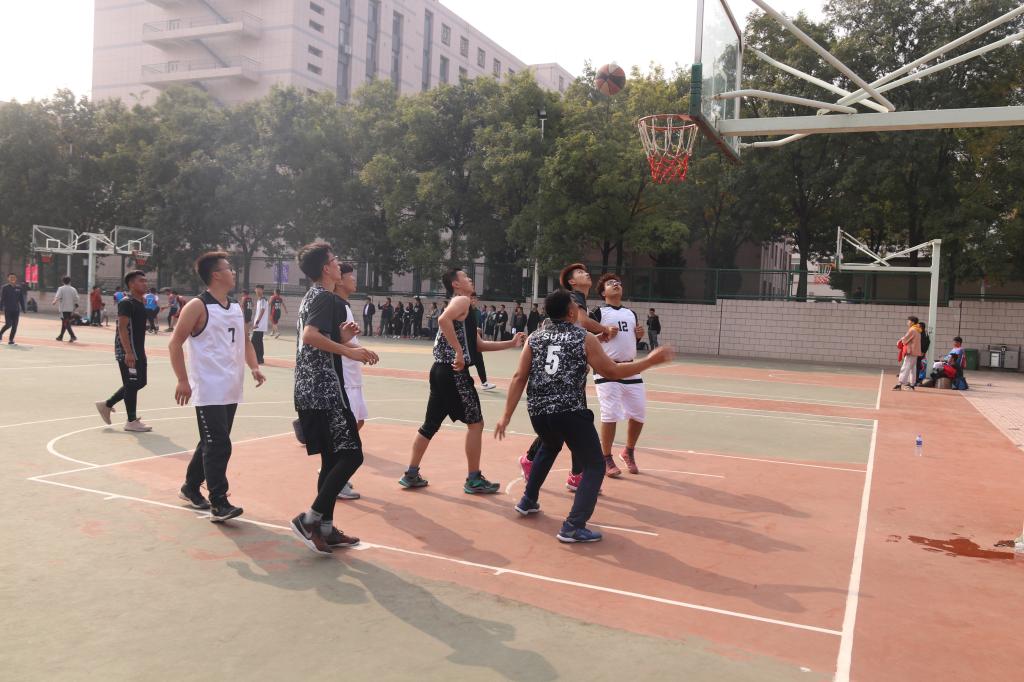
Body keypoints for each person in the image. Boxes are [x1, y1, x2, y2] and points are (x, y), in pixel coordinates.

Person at [495, 289, 673, 543]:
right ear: (571, 313)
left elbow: (519, 377)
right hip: (570, 411)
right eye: (576, 308)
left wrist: (506, 416)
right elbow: (612, 371)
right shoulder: (583, 337)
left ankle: (527, 500)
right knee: (595, 465)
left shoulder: (534, 337)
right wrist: (649, 362)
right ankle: (573, 525)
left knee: (549, 445)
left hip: (539, 412)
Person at [399, 268, 524, 494]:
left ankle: (411, 473)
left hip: (439, 371)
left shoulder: (464, 308)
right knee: (476, 424)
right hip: (454, 373)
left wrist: (511, 343)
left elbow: (478, 345)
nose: (469, 279)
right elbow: (442, 320)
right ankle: (473, 479)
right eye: (465, 277)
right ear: (456, 284)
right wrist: (458, 351)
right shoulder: (462, 301)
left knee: (430, 425)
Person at [170, 252, 266, 522]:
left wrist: (254, 366)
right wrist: (182, 379)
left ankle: (190, 487)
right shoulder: (197, 306)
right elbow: (175, 343)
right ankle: (219, 501)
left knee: (210, 441)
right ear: (215, 275)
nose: (233, 272)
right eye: (228, 268)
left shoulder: (234, 306)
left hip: (231, 386)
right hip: (208, 386)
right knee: (219, 444)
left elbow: (245, 342)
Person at [290, 241, 365, 555]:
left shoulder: (313, 296)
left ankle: (325, 528)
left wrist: (342, 338)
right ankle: (309, 519)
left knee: (333, 459)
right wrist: (350, 350)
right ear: (325, 268)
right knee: (352, 455)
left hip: (312, 389)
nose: (339, 264)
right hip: (323, 391)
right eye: (335, 261)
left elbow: (317, 338)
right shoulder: (323, 297)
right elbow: (310, 336)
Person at [520, 263, 618, 490]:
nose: (586, 273)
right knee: (573, 420)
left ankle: (542, 464)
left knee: (564, 421)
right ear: (572, 282)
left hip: (566, 371)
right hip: (563, 375)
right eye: (580, 273)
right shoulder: (575, 299)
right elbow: (583, 322)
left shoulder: (576, 300)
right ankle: (571, 473)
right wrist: (604, 329)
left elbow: (577, 330)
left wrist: (594, 340)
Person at [590, 274, 648, 476]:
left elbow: (629, 341)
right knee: (610, 414)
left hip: (630, 368)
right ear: (603, 292)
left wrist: (638, 336)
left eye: (618, 283)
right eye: (610, 283)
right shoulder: (598, 312)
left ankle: (628, 452)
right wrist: (602, 335)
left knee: (639, 413)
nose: (616, 284)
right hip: (607, 367)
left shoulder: (631, 313)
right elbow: (588, 339)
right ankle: (606, 457)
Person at [333, 263, 381, 500]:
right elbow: (334, 341)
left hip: (353, 374)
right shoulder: (337, 305)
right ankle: (334, 475)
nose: (354, 279)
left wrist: (358, 349)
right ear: (339, 280)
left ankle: (333, 469)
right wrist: (357, 350)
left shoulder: (345, 305)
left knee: (358, 421)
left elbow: (343, 338)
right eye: (350, 276)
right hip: (345, 376)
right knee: (347, 428)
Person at [96, 270, 153, 432]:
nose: (145, 283)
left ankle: (107, 405)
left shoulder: (140, 302)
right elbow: (122, 328)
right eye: (141, 281)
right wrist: (128, 352)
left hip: (138, 349)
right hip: (127, 350)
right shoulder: (126, 303)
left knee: (140, 382)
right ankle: (131, 421)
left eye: (145, 281)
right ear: (131, 284)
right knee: (132, 383)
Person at [466, 294, 496, 391]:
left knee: (479, 360)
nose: (473, 300)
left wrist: (478, 331)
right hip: (466, 341)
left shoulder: (478, 312)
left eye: (475, 298)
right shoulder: (465, 311)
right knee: (465, 362)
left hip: (475, 340)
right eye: (471, 298)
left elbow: (478, 324)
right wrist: (475, 329)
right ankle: (462, 382)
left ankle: (484, 383)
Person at [894, 315, 922, 390]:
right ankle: (912, 385)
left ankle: (899, 384)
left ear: (912, 322)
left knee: (905, 367)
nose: (907, 322)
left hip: (911, 351)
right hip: (915, 352)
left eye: (908, 321)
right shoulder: (918, 330)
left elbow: (905, 340)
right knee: (913, 369)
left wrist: (901, 340)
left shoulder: (912, 330)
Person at [0, 273, 27, 344]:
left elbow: (21, 299)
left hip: (16, 310)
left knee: (15, 326)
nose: (12, 278)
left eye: (14, 277)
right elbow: (2, 299)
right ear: (8, 279)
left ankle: (11, 340)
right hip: (8, 309)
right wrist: (1, 309)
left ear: (16, 279)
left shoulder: (19, 288)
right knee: (8, 324)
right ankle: (0, 333)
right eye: (11, 277)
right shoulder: (5, 287)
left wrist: (24, 309)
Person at [52, 276, 80, 342]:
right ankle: (60, 336)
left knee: (66, 323)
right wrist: (75, 305)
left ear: (63, 282)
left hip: (63, 309)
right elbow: (76, 298)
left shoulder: (61, 288)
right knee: (65, 322)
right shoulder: (73, 289)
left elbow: (58, 296)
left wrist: (54, 301)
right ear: (70, 281)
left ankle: (73, 336)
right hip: (71, 309)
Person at [251, 284, 268, 364]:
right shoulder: (259, 300)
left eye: (259, 289)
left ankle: (258, 358)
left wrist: (257, 322)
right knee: (259, 342)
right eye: (256, 289)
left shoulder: (263, 300)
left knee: (254, 342)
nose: (257, 291)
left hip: (259, 325)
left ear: (262, 290)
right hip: (259, 325)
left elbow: (262, 311)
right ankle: (260, 358)